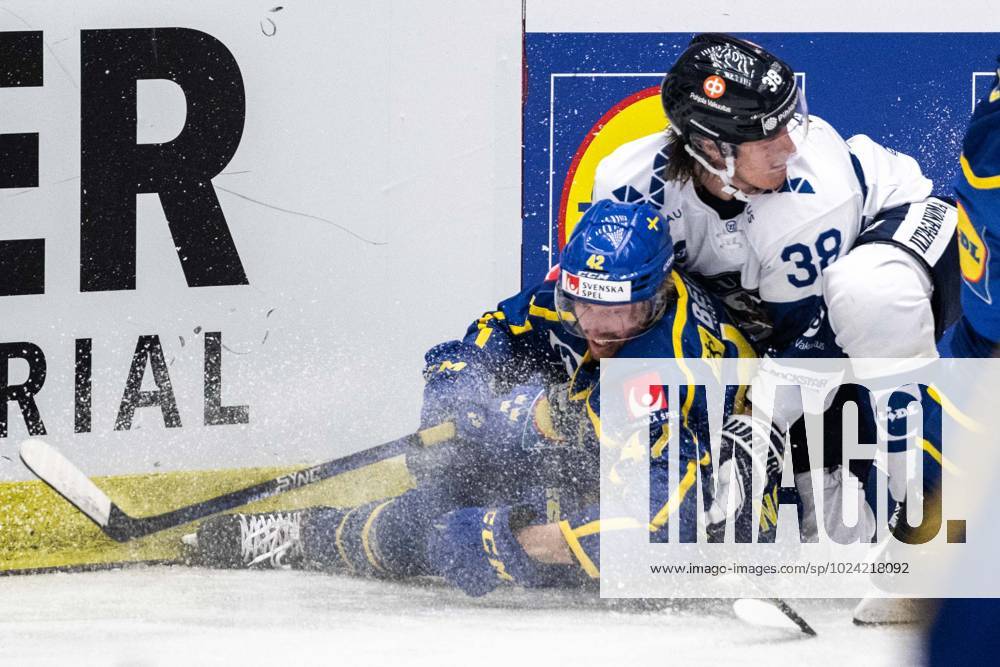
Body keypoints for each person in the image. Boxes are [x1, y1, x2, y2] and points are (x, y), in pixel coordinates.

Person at [184, 199, 777, 596]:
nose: (597, 327)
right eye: (584, 306)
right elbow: (503, 324)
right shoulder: (594, 299)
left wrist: (511, 544)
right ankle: (331, 530)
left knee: (440, 527)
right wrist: (460, 384)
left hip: (698, 504)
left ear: (652, 298)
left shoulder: (660, 377)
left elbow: (652, 525)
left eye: (618, 314)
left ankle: (311, 536)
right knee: (454, 478)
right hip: (617, 444)